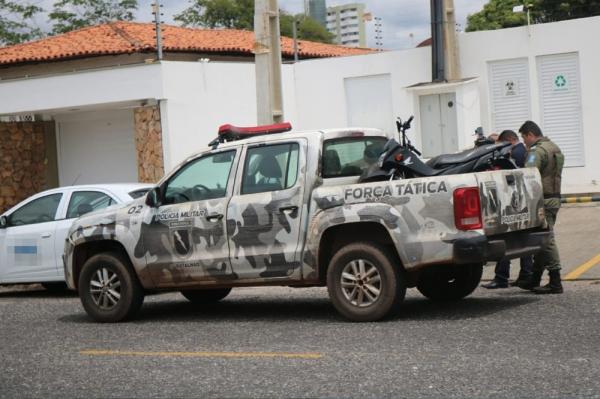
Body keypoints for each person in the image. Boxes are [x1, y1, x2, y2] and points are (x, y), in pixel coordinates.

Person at [517, 121, 565, 294]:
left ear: (530, 134)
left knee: (546, 239)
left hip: (542, 200)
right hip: (554, 197)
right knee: (540, 238)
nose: (524, 142)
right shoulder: (554, 147)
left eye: (524, 138)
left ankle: (555, 281)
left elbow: (528, 174)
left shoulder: (537, 151)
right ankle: (535, 278)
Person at [481, 130, 533, 289]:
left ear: (509, 140)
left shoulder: (514, 153)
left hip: (511, 202)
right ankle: (525, 274)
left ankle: (501, 277)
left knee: (505, 239)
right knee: (523, 240)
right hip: (522, 202)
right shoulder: (524, 151)